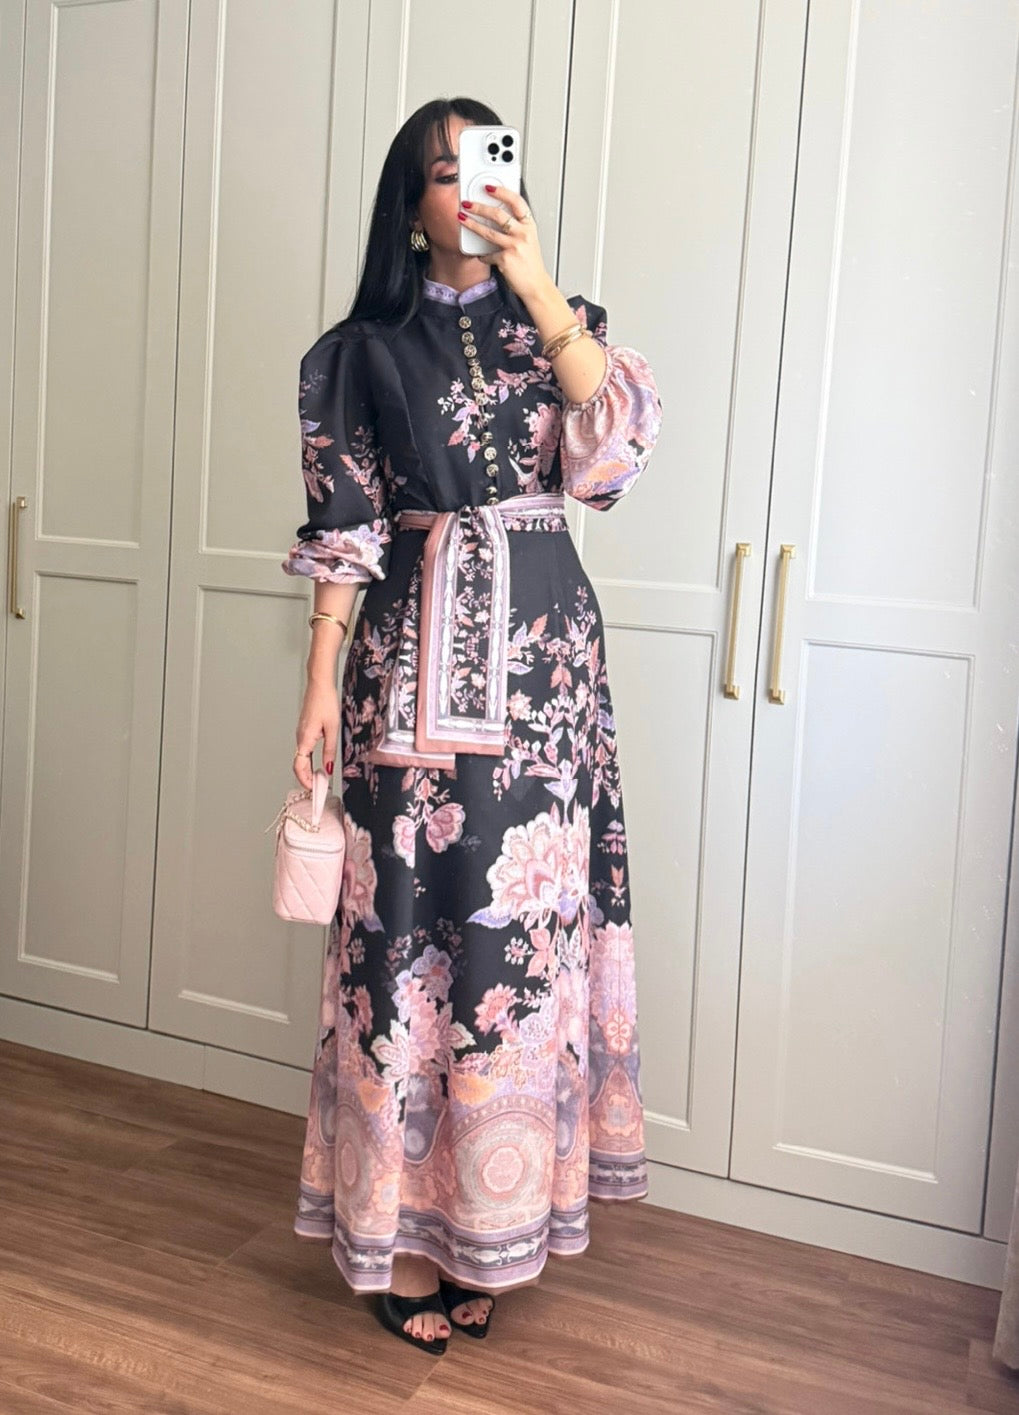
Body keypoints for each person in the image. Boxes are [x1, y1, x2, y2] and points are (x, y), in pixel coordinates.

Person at [281, 96, 663, 1356]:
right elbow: (343, 528)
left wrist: (539, 287)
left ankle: (486, 1226)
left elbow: (610, 467)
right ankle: (396, 1234)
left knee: (516, 947)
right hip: (407, 674)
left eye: (485, 169)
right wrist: (319, 684)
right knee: (402, 935)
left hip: (544, 683)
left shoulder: (562, 329)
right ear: (410, 204)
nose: (468, 191)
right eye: (443, 174)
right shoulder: (357, 352)